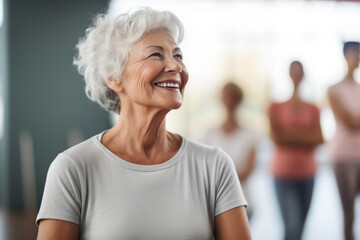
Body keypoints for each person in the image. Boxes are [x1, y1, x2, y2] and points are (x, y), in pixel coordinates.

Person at [36, 8, 251, 240]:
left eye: (178, 55)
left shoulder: (215, 166)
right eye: (156, 55)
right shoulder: (73, 168)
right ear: (113, 76)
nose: (176, 66)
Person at [268, 61, 324, 240]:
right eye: (293, 70)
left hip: (308, 174)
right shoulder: (275, 107)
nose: (297, 74)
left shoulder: (313, 108)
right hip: (283, 174)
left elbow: (319, 139)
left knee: (300, 229)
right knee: (292, 226)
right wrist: (305, 135)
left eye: (300, 71)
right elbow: (277, 138)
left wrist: (289, 134)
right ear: (289, 74)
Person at [201, 82, 259, 220]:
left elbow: (247, 172)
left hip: (243, 202)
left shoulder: (250, 135)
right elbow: (203, 171)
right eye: (226, 96)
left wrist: (217, 177)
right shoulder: (209, 134)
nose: (229, 100)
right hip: (213, 205)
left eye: (233, 96)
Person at [327, 41, 360, 240]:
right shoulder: (334, 89)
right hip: (343, 156)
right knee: (349, 211)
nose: (356, 57)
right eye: (352, 53)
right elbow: (348, 121)